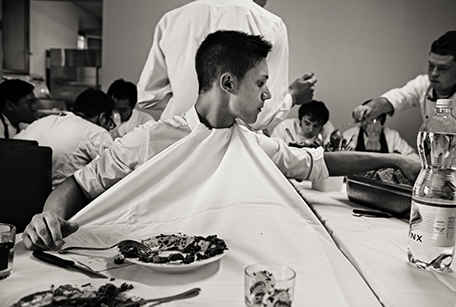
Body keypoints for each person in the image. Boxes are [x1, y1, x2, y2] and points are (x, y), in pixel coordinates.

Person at [22, 30, 420, 251]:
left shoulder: (251, 142)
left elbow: (321, 162)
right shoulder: (149, 139)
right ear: (228, 83)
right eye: (261, 84)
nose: (268, 95)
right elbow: (77, 184)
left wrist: (398, 163)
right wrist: (49, 217)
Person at [137, 0, 316, 132]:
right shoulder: (271, 25)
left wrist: (186, 102)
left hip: (173, 142)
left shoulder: (171, 20)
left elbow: (148, 97)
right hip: (230, 149)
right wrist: (292, 96)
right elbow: (263, 115)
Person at [14, 88, 115, 188]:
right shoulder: (96, 133)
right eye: (110, 124)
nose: (109, 129)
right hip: (51, 199)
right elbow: (114, 174)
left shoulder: (42, 122)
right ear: (103, 117)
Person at [352, 30, 456, 123]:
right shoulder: (423, 85)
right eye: (431, 66)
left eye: (443, 68)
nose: (433, 73)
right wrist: (369, 108)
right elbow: (397, 97)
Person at [344, 100, 418, 158]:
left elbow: (413, 157)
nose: (372, 123)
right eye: (369, 118)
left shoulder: (392, 136)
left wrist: (397, 158)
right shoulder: (350, 134)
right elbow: (342, 156)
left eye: (377, 118)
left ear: (382, 120)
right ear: (362, 119)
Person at [271, 100, 335, 148]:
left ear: (322, 125)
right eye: (307, 123)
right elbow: (273, 151)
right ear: (300, 119)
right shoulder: (284, 127)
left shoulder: (327, 129)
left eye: (316, 126)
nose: (310, 129)